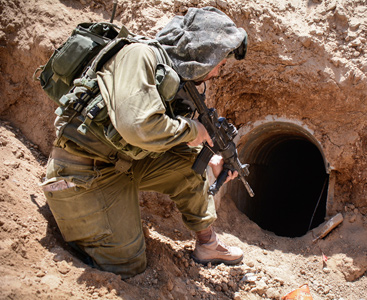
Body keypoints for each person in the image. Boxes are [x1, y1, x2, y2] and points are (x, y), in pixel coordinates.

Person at [41, 6, 248, 279]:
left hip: (122, 163)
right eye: (219, 64)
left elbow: (159, 135)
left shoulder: (173, 76)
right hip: (83, 171)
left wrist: (210, 158)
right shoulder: (139, 55)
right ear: (203, 52)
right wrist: (192, 130)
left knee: (192, 164)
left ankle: (208, 245)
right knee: (128, 267)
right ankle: (81, 220)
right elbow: (138, 126)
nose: (217, 73)